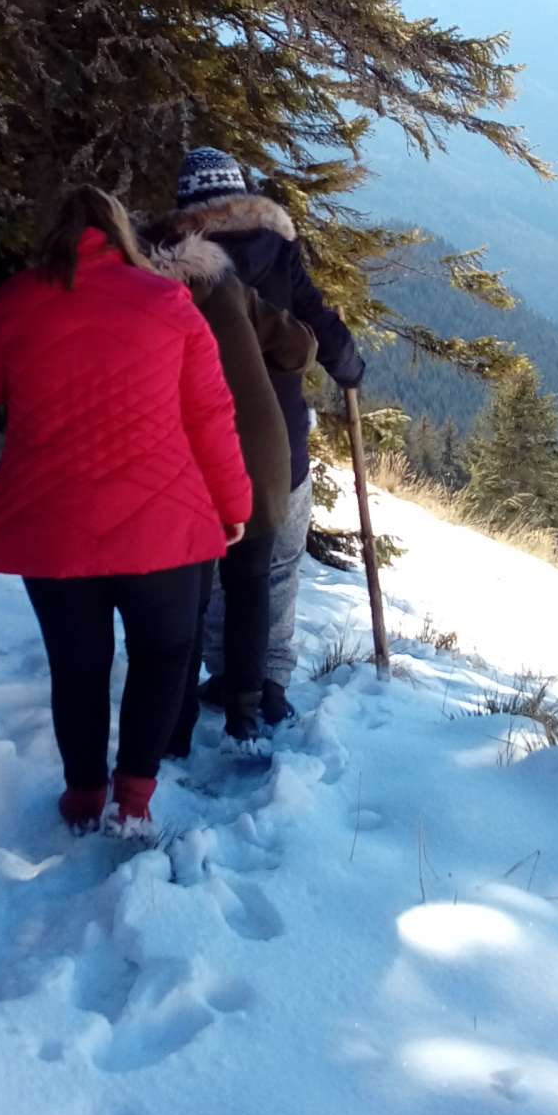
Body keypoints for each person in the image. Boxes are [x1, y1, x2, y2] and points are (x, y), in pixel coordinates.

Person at [0, 185, 251, 834]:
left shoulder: (14, 299)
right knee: (163, 654)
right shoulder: (169, 302)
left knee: (77, 666)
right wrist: (233, 503)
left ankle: (83, 796)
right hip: (160, 524)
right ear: (123, 234)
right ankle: (135, 797)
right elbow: (209, 415)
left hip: (51, 521)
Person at [160, 148, 365, 715]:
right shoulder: (278, 250)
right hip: (279, 444)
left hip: (195, 444)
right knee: (272, 570)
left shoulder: (171, 263)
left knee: (204, 573)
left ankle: (215, 676)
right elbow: (320, 327)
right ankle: (264, 686)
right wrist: (350, 367)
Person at [142, 220, 315, 753]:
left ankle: (175, 728)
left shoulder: (140, 295)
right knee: (250, 584)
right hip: (261, 455)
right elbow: (300, 347)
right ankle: (244, 717)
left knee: (188, 599)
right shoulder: (227, 286)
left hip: (191, 461)